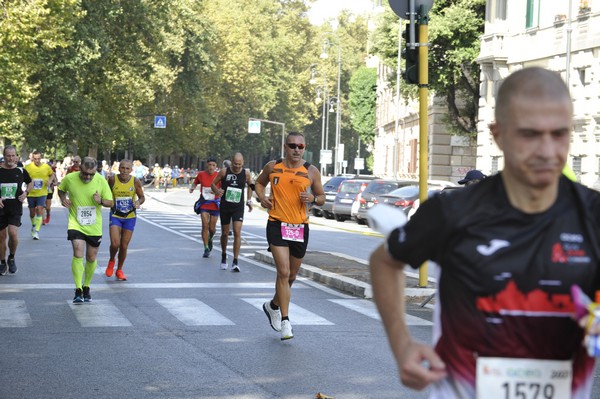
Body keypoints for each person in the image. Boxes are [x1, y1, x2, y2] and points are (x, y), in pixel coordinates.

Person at [368, 67, 600, 398]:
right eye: (530, 135)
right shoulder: (454, 211)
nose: (548, 151)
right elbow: (385, 261)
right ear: (498, 134)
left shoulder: (592, 215)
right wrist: (401, 343)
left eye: (559, 134)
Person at [254, 132, 325, 340]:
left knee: (292, 276)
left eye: (300, 146)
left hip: (299, 227)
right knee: (283, 272)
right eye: (293, 145)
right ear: (285, 146)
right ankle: (285, 321)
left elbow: (321, 197)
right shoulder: (272, 166)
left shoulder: (311, 171)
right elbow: (259, 183)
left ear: (305, 148)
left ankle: (273, 305)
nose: (296, 150)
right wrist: (262, 197)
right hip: (276, 223)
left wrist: (313, 197)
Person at [58, 157, 113, 303]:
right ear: (80, 168)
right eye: (85, 173)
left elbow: (110, 202)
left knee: (91, 258)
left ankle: (86, 286)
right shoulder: (70, 178)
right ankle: (78, 289)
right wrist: (63, 199)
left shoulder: (101, 181)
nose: (88, 177)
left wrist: (100, 200)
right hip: (76, 223)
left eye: (91, 174)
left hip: (94, 226)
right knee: (77, 252)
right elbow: (61, 190)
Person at [211, 153, 253, 271]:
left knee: (237, 232)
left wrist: (249, 200)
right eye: (235, 164)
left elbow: (251, 185)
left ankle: (235, 260)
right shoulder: (224, 172)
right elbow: (213, 183)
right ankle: (224, 255)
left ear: (243, 163)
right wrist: (217, 191)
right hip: (225, 206)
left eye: (240, 164)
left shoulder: (246, 173)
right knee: (225, 233)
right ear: (231, 162)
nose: (237, 167)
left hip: (238, 207)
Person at [104, 159, 145, 281]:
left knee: (124, 245)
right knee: (115, 243)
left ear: (131, 170)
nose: (124, 171)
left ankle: (119, 269)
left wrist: (138, 202)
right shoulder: (112, 180)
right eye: (122, 168)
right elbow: (106, 194)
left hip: (130, 216)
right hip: (116, 215)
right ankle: (112, 260)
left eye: (127, 168)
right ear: (119, 168)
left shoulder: (135, 181)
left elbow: (142, 197)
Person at [0, 146, 32, 275]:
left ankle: (11, 257)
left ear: (16, 156)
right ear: (4, 156)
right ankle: (2, 262)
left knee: (13, 234)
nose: (11, 158)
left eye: (13, 156)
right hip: (1, 209)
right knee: (1, 237)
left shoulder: (21, 170)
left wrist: (26, 193)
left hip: (15, 208)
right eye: (8, 155)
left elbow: (30, 182)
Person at [190, 157, 220, 258]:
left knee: (212, 228)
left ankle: (210, 237)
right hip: (204, 203)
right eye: (210, 165)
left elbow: (223, 187)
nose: (211, 167)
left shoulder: (218, 175)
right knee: (204, 225)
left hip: (215, 204)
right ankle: (206, 247)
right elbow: (195, 182)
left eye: (213, 165)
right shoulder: (201, 174)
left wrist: (218, 191)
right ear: (207, 165)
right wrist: (192, 188)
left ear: (216, 166)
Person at [24, 150, 55, 240]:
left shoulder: (46, 167)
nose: (37, 160)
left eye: (38, 159)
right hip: (31, 193)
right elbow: (23, 178)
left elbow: (52, 175)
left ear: (41, 158)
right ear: (32, 158)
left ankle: (36, 231)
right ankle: (34, 225)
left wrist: (49, 181)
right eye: (35, 159)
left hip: (42, 193)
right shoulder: (28, 167)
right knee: (32, 212)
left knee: (40, 209)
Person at [43, 160, 58, 225]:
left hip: (49, 191)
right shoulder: (42, 174)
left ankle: (48, 214)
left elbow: (56, 183)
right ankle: (43, 219)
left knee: (48, 207)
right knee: (42, 206)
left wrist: (52, 183)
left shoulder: (53, 174)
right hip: (42, 191)